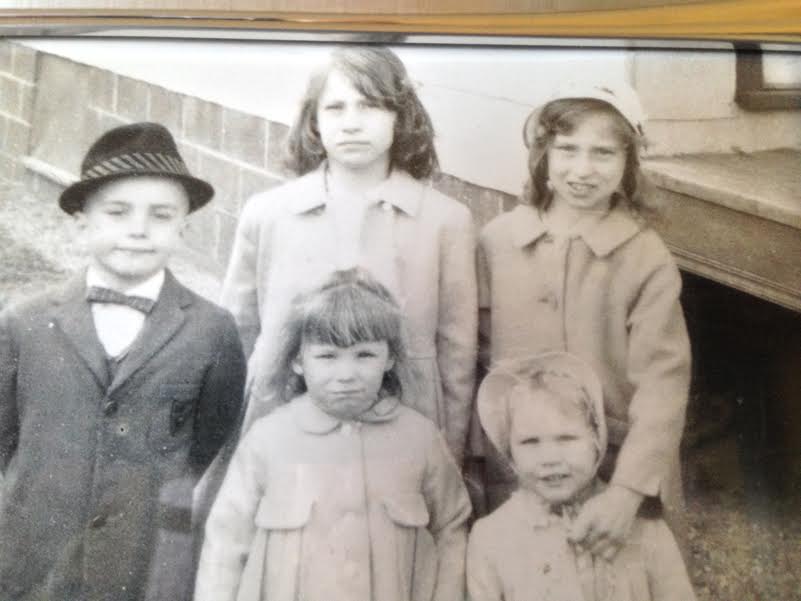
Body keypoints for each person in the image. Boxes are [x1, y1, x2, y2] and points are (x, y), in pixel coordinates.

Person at [0, 122, 247, 601]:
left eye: (161, 215)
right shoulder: (23, 323)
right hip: (37, 562)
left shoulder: (211, 331)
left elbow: (207, 441)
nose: (138, 229)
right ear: (81, 222)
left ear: (184, 227)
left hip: (143, 563)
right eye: (117, 212)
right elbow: (7, 437)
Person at [221, 45, 477, 462]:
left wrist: (450, 456)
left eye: (370, 106)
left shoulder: (445, 222)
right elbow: (235, 334)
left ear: (400, 117)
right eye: (335, 108)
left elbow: (458, 356)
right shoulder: (268, 214)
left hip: (404, 427)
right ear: (314, 121)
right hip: (283, 423)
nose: (352, 123)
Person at [477, 82, 692, 557]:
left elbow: (663, 381)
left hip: (613, 464)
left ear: (629, 162)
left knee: (617, 569)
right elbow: (479, 353)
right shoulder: (498, 241)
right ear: (542, 156)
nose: (582, 170)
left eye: (603, 153)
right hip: (522, 458)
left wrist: (628, 491)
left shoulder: (644, 256)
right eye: (567, 149)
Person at [195, 268, 471, 601]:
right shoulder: (267, 440)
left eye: (365, 355)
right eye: (327, 356)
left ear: (390, 358)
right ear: (298, 361)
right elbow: (225, 542)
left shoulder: (419, 438)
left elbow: (452, 529)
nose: (346, 374)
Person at [467, 352, 696, 601]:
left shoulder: (645, 528)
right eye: (530, 442)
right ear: (509, 453)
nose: (549, 458)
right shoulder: (491, 538)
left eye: (566, 438)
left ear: (597, 441)